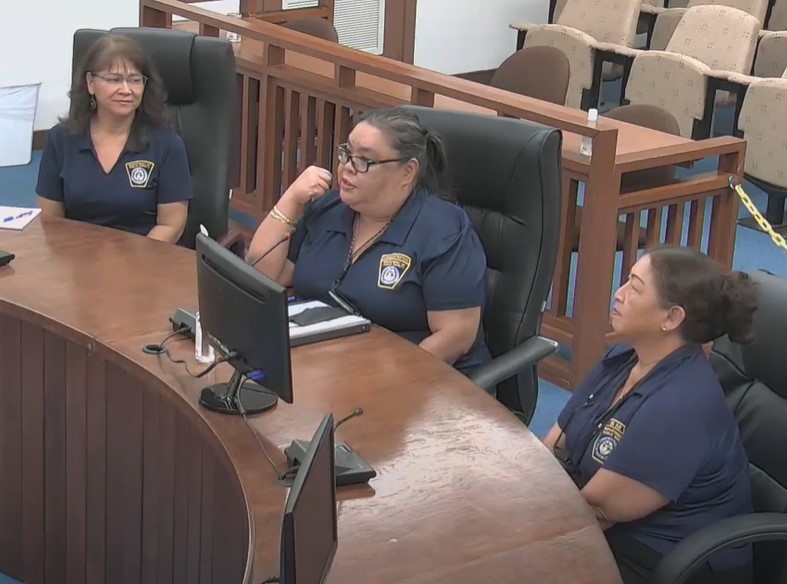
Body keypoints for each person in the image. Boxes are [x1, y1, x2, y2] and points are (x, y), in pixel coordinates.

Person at [544, 246, 757, 584]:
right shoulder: (624, 357)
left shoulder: (680, 407)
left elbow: (595, 512)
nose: (619, 293)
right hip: (604, 529)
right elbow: (554, 444)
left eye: (635, 287)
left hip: (661, 561)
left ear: (671, 318)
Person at [247, 107, 491, 374]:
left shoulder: (444, 230)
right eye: (347, 154)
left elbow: (455, 338)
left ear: (408, 171)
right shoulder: (330, 209)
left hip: (417, 382)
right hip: (330, 366)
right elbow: (265, 274)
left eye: (365, 161)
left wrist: (379, 387)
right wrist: (291, 199)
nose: (347, 168)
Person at [35, 34, 192, 243]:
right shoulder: (61, 139)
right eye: (114, 79)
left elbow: (170, 226)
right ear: (91, 83)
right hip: (76, 259)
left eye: (135, 80)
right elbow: (51, 222)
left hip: (144, 261)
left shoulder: (167, 144)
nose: (126, 90)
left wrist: (129, 264)